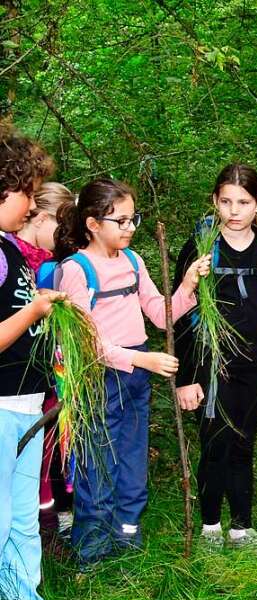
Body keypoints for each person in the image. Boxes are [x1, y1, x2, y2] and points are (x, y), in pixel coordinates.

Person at [55, 179, 210, 566]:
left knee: (132, 461)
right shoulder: (76, 270)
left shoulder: (133, 261)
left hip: (136, 375)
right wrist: (143, 360)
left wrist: (188, 284)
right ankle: (92, 554)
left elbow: (160, 313)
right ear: (92, 223)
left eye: (132, 219)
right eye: (120, 220)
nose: (129, 227)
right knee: (98, 464)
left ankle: (127, 543)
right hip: (98, 378)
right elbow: (86, 343)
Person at [173, 164, 257, 553]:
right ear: (215, 202)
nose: (234, 210)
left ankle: (242, 528)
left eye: (243, 202)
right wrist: (185, 377)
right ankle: (210, 526)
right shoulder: (200, 247)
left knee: (244, 443)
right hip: (211, 365)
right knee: (215, 444)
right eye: (226, 201)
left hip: (255, 363)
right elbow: (180, 314)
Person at [0, 124, 62, 600]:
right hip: (0, 407)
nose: (30, 205)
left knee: (22, 518)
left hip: (25, 406)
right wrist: (36, 309)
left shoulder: (13, 250)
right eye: (26, 194)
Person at [10, 181, 75, 553]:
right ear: (42, 216)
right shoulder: (16, 259)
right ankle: (43, 529)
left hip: (45, 378)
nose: (65, 237)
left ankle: (46, 530)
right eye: (62, 227)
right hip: (18, 382)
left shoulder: (46, 263)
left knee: (46, 451)